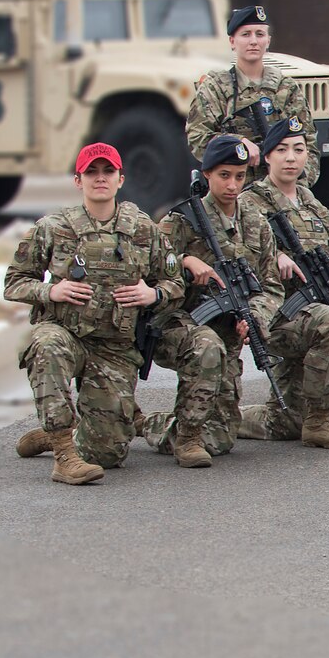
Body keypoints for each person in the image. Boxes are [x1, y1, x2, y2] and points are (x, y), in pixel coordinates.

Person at [7, 143, 180, 484]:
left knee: (109, 454)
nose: (100, 178)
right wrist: (49, 290)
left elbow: (174, 283)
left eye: (108, 172)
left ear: (120, 179)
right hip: (65, 333)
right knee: (45, 345)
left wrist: (153, 293)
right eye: (92, 172)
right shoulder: (53, 227)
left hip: (114, 346)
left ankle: (66, 432)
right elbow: (14, 282)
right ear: (78, 180)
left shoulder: (144, 230)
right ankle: (63, 454)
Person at [138, 135, 281, 465]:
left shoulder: (256, 223)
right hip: (176, 323)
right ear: (206, 176)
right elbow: (148, 266)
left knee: (220, 438)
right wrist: (185, 260)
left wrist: (255, 316)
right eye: (224, 176)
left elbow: (271, 286)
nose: (233, 185)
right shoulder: (182, 220)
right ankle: (184, 438)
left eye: (240, 176)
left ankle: (144, 423)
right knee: (206, 346)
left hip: (225, 332)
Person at [234, 119, 329, 449]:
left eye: (299, 150)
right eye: (281, 150)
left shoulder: (311, 203)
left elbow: (324, 251)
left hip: (310, 309)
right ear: (267, 156)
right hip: (276, 314)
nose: (290, 158)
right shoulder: (250, 203)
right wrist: (271, 257)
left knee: (287, 422)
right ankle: (320, 422)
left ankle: (229, 416)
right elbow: (235, 255)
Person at [184, 5, 315, 186]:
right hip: (235, 191)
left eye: (259, 34)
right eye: (246, 34)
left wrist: (298, 184)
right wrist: (238, 143)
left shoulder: (286, 88)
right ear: (232, 41)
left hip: (281, 190)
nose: (253, 41)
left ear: (268, 41)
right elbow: (198, 138)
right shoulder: (215, 88)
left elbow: (309, 143)